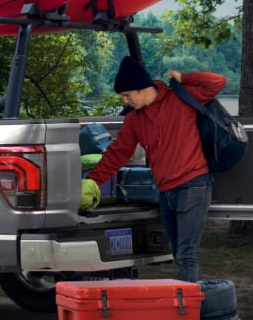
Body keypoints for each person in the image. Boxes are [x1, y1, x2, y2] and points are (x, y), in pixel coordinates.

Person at [87, 55, 227, 282]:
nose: (124, 101)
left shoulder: (181, 98)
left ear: (141, 89)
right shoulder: (134, 120)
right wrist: (93, 181)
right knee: (180, 255)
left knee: (186, 255)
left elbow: (217, 82)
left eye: (126, 95)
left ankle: (185, 313)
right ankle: (199, 306)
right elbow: (117, 154)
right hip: (165, 192)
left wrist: (185, 77)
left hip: (193, 185)